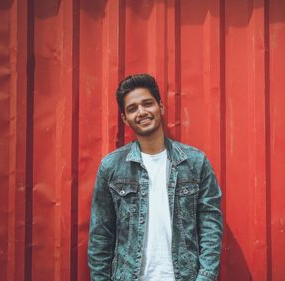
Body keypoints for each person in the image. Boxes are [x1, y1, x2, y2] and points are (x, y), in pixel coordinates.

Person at [88, 73, 223, 281]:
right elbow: (100, 236)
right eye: (132, 108)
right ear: (125, 118)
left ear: (160, 107)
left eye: (147, 104)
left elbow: (210, 226)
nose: (141, 112)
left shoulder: (195, 162)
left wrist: (205, 277)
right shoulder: (111, 167)